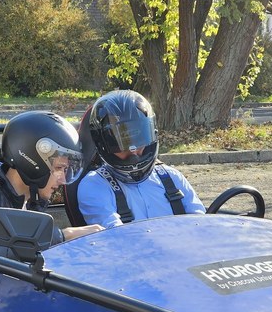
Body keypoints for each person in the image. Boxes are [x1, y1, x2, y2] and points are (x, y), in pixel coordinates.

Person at [0, 111, 103, 257]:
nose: (62, 179)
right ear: (33, 162)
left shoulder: (33, 197)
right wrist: (64, 236)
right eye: (59, 168)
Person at [77, 90, 205, 229]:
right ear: (103, 143)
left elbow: (200, 225)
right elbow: (113, 235)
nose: (132, 150)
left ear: (151, 132)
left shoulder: (172, 178)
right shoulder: (94, 185)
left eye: (138, 138)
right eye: (121, 142)